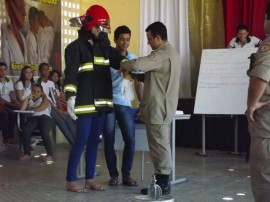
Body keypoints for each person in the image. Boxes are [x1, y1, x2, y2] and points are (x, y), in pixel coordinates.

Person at [64, 5, 123, 192]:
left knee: (93, 143)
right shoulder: (74, 48)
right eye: (97, 27)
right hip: (84, 102)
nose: (100, 30)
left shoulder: (104, 47)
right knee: (80, 141)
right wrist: (70, 97)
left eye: (102, 27)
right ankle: (71, 180)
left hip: (102, 103)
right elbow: (71, 74)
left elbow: (118, 62)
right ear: (88, 25)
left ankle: (89, 178)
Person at [119, 21, 181, 195]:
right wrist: (135, 76)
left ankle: (163, 183)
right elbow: (155, 78)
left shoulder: (161, 54)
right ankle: (162, 181)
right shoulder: (172, 53)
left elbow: (138, 64)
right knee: (160, 144)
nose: (148, 42)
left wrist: (125, 64)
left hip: (158, 108)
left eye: (149, 38)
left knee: (159, 146)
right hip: (163, 106)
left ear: (158, 37)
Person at [103, 25, 139, 187]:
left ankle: (126, 175)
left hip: (125, 103)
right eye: (122, 39)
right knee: (108, 139)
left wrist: (142, 103)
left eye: (127, 40)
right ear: (115, 40)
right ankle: (113, 175)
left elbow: (138, 82)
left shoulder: (133, 59)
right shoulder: (108, 57)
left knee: (130, 139)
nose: (125, 43)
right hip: (109, 103)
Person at [246, 3, 270, 201]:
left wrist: (252, 105)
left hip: (267, 129)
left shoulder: (268, 47)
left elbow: (261, 74)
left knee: (264, 184)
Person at [37, 63, 76, 145]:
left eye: (47, 69)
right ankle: (74, 144)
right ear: (40, 71)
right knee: (62, 124)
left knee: (68, 119)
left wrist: (61, 109)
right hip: (47, 107)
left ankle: (78, 142)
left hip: (56, 107)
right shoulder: (39, 82)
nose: (46, 71)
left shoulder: (51, 83)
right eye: (44, 69)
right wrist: (58, 110)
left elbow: (56, 97)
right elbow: (46, 99)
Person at [19, 84, 54, 162]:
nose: (36, 93)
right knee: (25, 130)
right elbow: (22, 109)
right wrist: (28, 98)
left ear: (41, 93)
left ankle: (50, 155)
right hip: (34, 119)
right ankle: (27, 154)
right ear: (31, 91)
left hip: (45, 118)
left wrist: (31, 108)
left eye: (38, 92)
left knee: (44, 132)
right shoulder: (29, 100)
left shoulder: (45, 99)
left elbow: (41, 108)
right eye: (34, 91)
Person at [1, 0, 28, 75]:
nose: (24, 13)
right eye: (20, 8)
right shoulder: (4, 36)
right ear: (10, 9)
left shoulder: (22, 37)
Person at [0, 62, 20, 145]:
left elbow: (12, 96)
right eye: (0, 70)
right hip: (1, 104)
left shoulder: (9, 81)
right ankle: (7, 138)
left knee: (18, 112)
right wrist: (13, 105)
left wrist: (17, 104)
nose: (3, 72)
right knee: (6, 114)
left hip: (8, 103)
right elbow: (1, 99)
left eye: (4, 69)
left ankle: (13, 137)